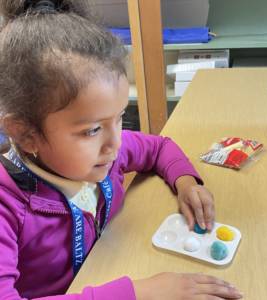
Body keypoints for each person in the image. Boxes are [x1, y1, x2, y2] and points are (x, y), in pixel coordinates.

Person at [0, 1, 243, 299]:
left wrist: (186, 182)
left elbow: (158, 147)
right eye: (92, 130)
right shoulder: (7, 208)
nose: (116, 144)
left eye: (119, 118)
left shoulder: (103, 155)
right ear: (26, 134)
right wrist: (135, 294)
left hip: (107, 267)